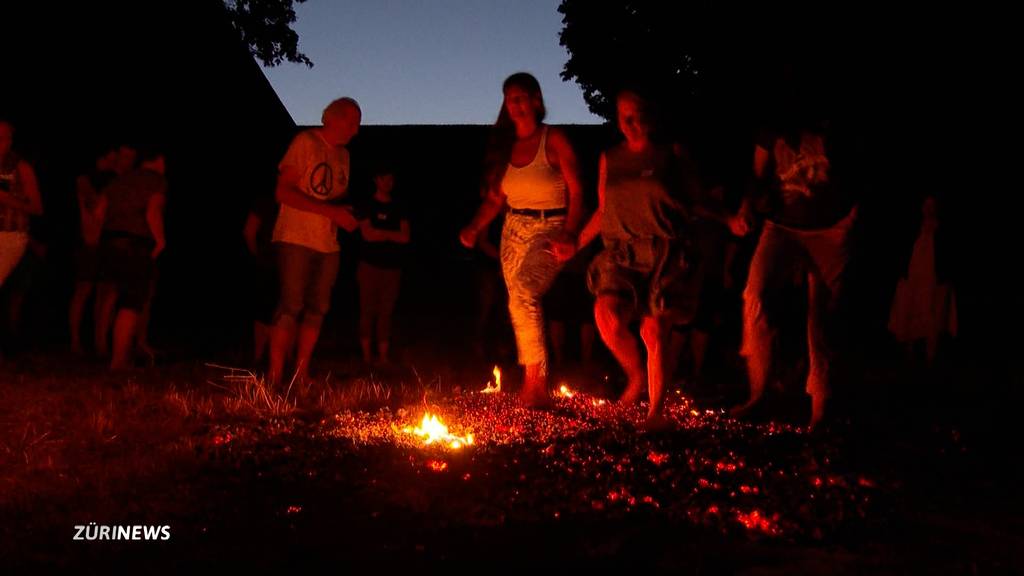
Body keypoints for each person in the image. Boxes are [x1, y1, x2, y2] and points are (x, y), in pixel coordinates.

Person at [566, 89, 734, 429]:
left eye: (635, 115)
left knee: (654, 328)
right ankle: (636, 377)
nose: (628, 123)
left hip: (665, 251)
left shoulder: (670, 155)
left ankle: (655, 413)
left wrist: (728, 219)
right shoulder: (610, 159)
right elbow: (602, 210)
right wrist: (576, 244)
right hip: (622, 252)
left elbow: (696, 200)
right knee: (606, 315)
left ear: (650, 117)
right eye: (622, 116)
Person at [459, 72, 584, 407]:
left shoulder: (553, 139)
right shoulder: (507, 148)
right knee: (518, 304)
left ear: (535, 100)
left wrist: (571, 232)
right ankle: (535, 380)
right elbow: (495, 200)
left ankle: (536, 385)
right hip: (513, 231)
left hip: (550, 227)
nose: (512, 105)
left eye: (519, 97)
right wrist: (473, 227)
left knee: (526, 294)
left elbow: (577, 190)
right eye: (507, 99)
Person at [732, 112, 858, 430]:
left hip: (830, 228)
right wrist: (748, 205)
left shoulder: (832, 125)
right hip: (782, 226)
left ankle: (821, 404)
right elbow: (758, 173)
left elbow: (857, 172)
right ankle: (760, 394)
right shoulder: (772, 126)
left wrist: (850, 221)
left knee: (820, 315)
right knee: (755, 294)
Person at [267, 97, 361, 386]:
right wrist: (329, 210)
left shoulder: (344, 155)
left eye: (358, 123)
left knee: (318, 308)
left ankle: (301, 373)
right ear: (330, 118)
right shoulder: (305, 142)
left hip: (328, 244)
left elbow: (332, 196)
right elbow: (283, 192)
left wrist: (342, 213)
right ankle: (274, 375)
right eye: (351, 121)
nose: (355, 130)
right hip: (296, 237)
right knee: (291, 305)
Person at [96, 145, 167, 370]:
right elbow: (152, 210)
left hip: (109, 241)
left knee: (111, 295)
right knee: (132, 302)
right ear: (160, 160)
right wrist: (160, 240)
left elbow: (99, 211)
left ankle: (104, 347)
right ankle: (118, 360)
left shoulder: (121, 180)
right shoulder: (156, 180)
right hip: (135, 244)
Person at [888, 195, 956, 368]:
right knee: (911, 309)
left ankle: (930, 356)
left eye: (932, 205)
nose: (928, 209)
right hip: (914, 275)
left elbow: (946, 254)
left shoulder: (942, 230)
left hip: (932, 277)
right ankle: (909, 352)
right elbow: (905, 249)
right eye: (926, 205)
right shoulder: (914, 228)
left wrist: (945, 277)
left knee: (932, 312)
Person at [356, 160, 410, 366]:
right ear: (376, 180)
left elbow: (405, 237)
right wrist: (391, 234)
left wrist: (382, 233)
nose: (388, 182)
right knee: (367, 309)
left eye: (391, 179)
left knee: (386, 311)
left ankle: (383, 356)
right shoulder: (366, 205)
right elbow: (368, 234)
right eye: (384, 178)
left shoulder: (399, 206)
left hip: (392, 267)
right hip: (369, 265)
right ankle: (367, 356)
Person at [69, 145, 117, 355]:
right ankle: (75, 340)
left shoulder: (113, 179)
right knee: (83, 290)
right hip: (89, 241)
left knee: (104, 291)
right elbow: (92, 208)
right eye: (112, 158)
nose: (116, 163)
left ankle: (101, 342)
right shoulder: (85, 180)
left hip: (107, 241)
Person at [0, 119, 43, 289]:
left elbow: (37, 208)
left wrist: (6, 199)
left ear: (9, 141)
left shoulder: (21, 168)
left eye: (2, 138)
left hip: (10, 235)